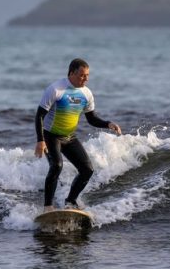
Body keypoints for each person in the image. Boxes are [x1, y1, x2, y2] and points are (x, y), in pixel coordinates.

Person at [35, 58, 121, 212]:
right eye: (82, 75)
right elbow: (39, 116)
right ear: (71, 73)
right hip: (51, 136)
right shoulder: (56, 89)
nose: (85, 79)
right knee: (56, 166)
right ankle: (48, 206)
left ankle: (70, 201)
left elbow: (91, 119)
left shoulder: (86, 93)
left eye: (87, 75)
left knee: (87, 170)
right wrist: (40, 141)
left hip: (69, 137)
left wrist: (108, 124)